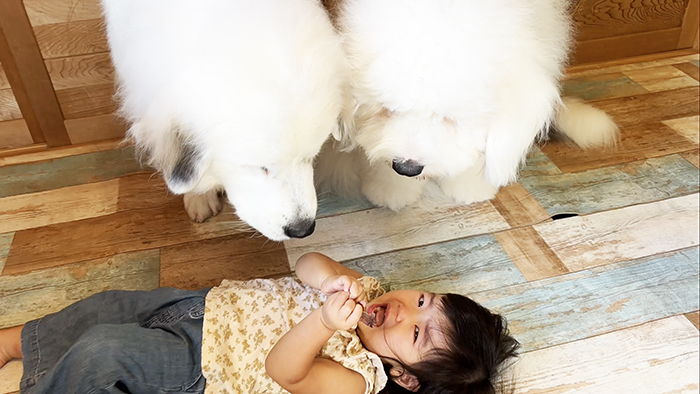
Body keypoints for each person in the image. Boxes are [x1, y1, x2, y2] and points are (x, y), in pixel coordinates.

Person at [0, 252, 519, 394]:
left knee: (103, 353)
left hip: (205, 367)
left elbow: (285, 371)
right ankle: (18, 343)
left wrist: (323, 320)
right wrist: (330, 281)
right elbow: (306, 261)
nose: (408, 309)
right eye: (424, 299)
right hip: (207, 307)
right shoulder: (370, 291)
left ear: (404, 374)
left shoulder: (358, 378)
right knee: (108, 306)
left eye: (414, 333)